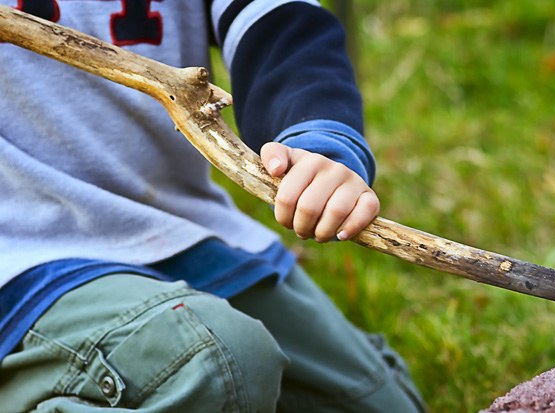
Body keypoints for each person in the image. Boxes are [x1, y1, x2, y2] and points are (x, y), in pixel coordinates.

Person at [0, 0, 426, 412]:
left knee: (377, 402)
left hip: (177, 223)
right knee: (217, 365)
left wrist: (314, 138)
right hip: (20, 250)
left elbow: (277, 21)